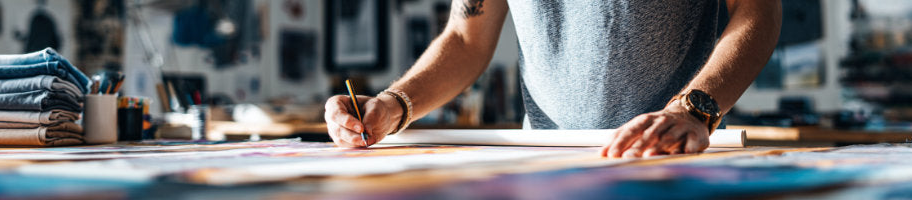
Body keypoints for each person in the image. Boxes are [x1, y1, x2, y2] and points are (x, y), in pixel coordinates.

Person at [324, 0, 781, 158]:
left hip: (669, 153)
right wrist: (394, 104)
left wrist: (694, 111)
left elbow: (759, 9)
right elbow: (466, 38)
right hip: (546, 161)